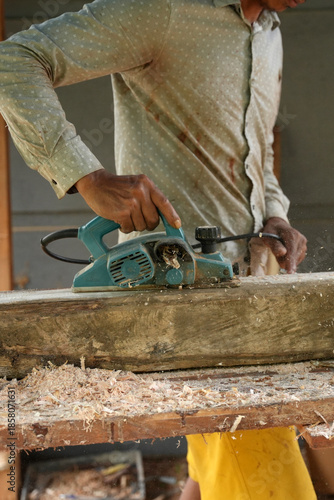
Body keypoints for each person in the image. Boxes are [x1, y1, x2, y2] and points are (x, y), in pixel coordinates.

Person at [0, 0, 314, 498]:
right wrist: (87, 176)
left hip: (253, 296)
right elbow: (14, 60)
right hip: (183, 307)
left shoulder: (269, 33)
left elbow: (260, 154)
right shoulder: (161, 10)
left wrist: (275, 212)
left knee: (208, 471)